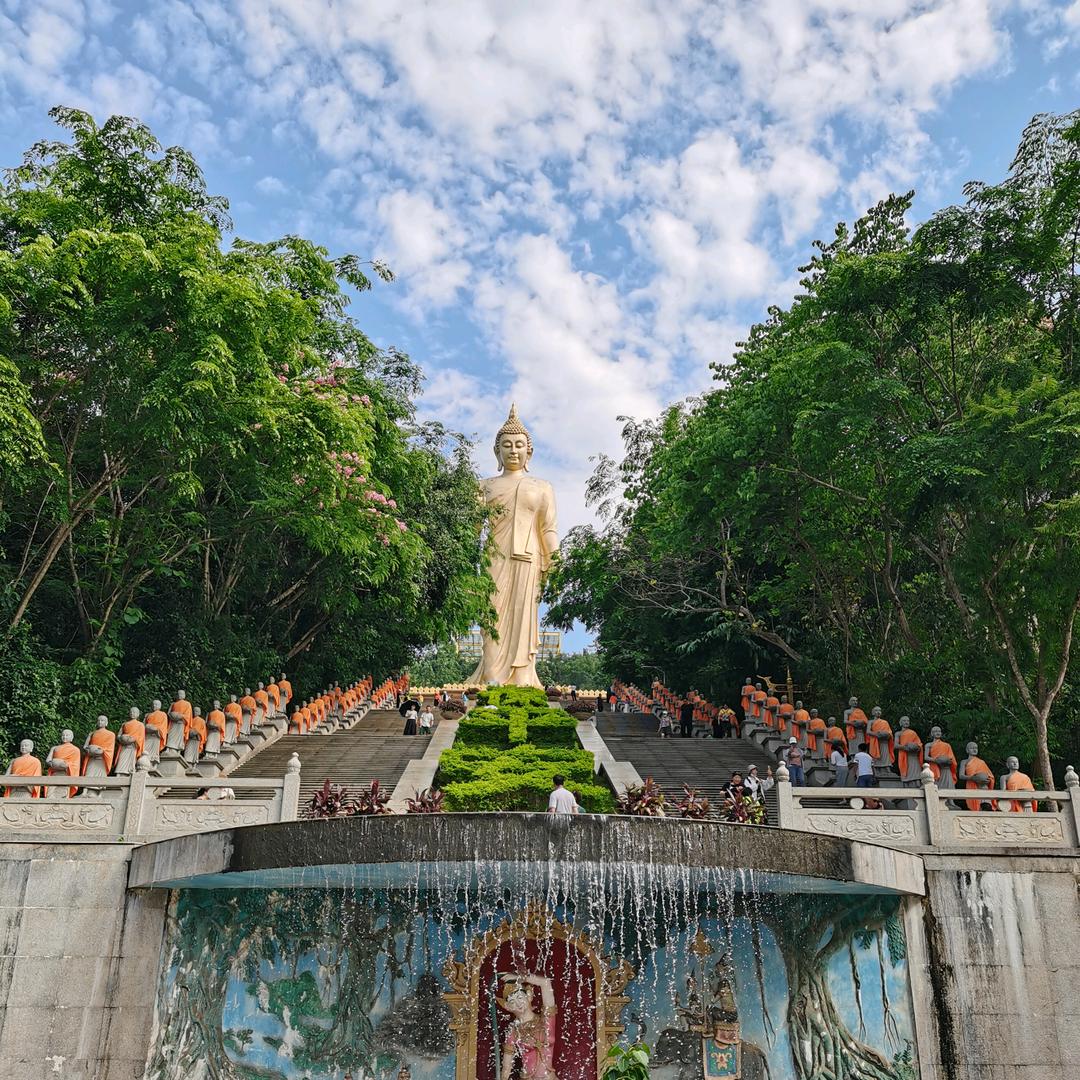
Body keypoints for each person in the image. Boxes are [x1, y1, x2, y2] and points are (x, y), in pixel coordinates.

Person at [498, 972, 558, 1080]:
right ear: (507, 1007)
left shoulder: (546, 1020)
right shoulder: (514, 1031)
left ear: (529, 995)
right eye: (512, 1001)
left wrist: (518, 977)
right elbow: (507, 1068)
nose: (518, 1003)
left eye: (520, 997)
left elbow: (545, 982)